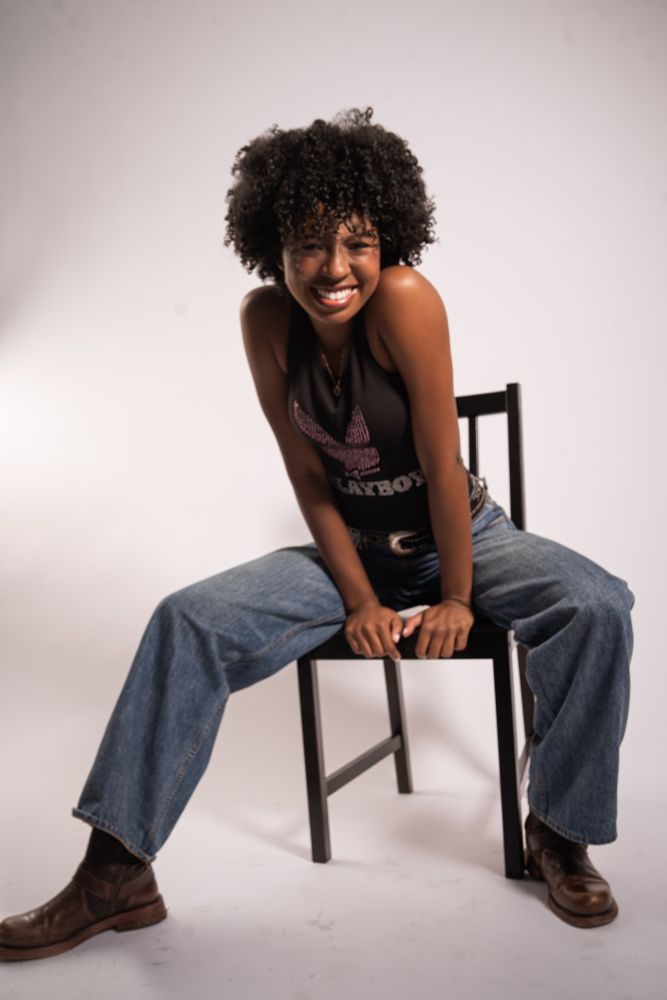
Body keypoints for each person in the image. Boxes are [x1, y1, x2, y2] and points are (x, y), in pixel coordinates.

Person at [0, 108, 634, 961]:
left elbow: (441, 464)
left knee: (595, 604)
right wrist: (361, 599)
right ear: (274, 247)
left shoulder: (404, 299)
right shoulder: (264, 321)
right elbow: (308, 476)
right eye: (308, 244)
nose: (334, 267)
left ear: (387, 241)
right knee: (187, 618)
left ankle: (558, 832)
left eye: (357, 243)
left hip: (462, 538)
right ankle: (116, 876)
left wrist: (454, 596)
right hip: (355, 552)